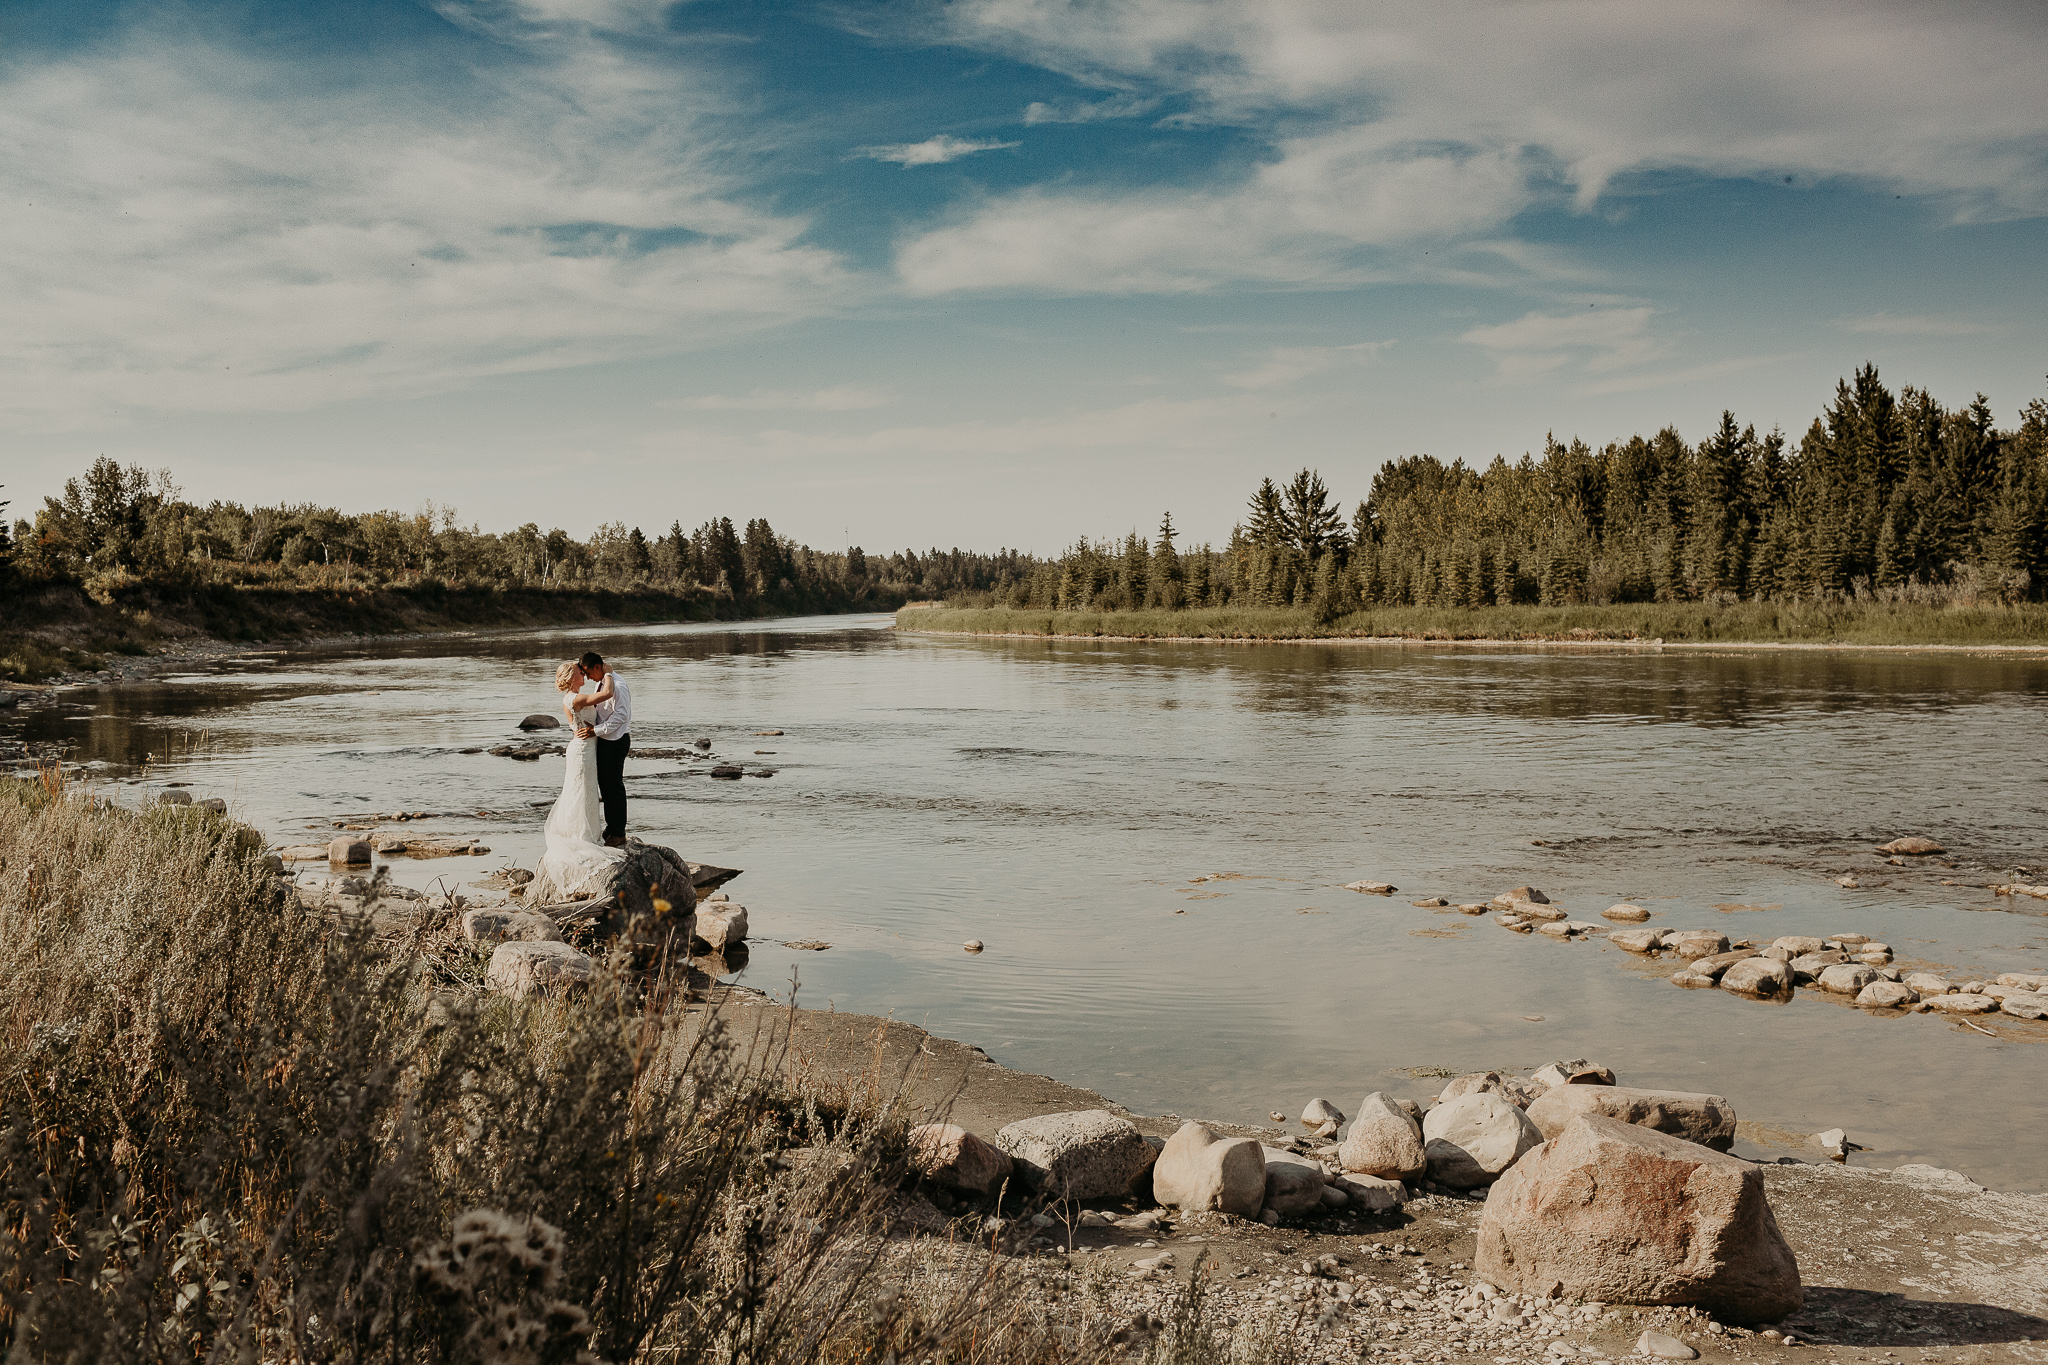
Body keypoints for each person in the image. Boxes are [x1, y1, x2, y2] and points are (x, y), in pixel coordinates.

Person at [539, 659, 625, 897]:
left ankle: (589, 833)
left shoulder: (576, 696)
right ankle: (582, 837)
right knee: (581, 792)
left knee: (586, 792)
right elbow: (607, 692)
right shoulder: (573, 699)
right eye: (580, 673)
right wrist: (608, 672)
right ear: (570, 677)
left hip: (588, 749)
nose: (584, 676)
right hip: (582, 750)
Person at [573, 650, 633, 847]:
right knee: (605, 787)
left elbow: (621, 716)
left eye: (589, 672)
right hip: (605, 741)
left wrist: (595, 731)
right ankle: (611, 826)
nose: (588, 677)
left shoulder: (619, 686)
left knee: (614, 787)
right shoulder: (602, 682)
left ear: (598, 667)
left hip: (616, 741)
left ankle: (618, 832)